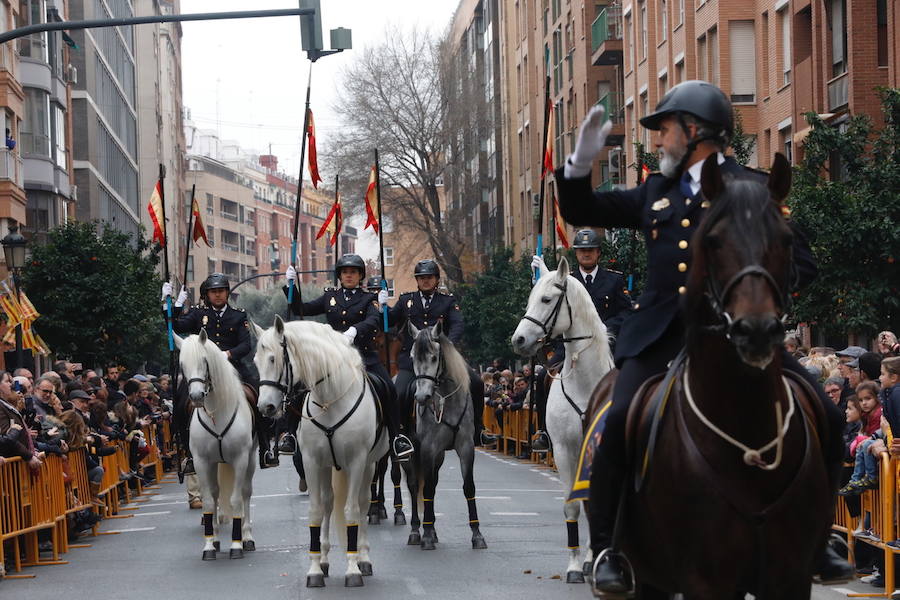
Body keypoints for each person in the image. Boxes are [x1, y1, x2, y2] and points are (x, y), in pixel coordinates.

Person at [554, 79, 850, 591]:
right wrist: (577, 168)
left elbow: (799, 261)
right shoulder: (655, 192)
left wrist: (765, 299)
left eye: (665, 129)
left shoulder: (755, 188)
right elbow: (584, 212)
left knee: (823, 413)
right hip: (661, 337)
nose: (659, 141)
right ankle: (608, 549)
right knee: (619, 420)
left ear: (695, 131)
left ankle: (818, 536)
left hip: (741, 337)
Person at [285, 254, 413, 460]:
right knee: (300, 385)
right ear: (340, 275)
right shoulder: (329, 297)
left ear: (360, 275)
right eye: (345, 272)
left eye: (353, 272)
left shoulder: (368, 299)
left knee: (388, 388)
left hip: (362, 356)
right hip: (332, 357)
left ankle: (397, 437)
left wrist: (354, 331)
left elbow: (373, 321)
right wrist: (291, 287)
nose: (349, 276)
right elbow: (302, 309)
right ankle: (290, 434)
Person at [530, 227, 633, 451]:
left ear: (598, 253)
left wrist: (604, 329)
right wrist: (540, 280)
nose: (586, 254)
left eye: (591, 250)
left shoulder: (613, 280)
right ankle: (544, 433)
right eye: (581, 250)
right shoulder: (566, 281)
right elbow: (548, 309)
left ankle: (630, 428)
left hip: (605, 345)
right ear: (575, 254)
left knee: (629, 376)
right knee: (541, 378)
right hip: (569, 347)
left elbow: (626, 313)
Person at [162, 273, 278, 469]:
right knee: (181, 399)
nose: (217, 295)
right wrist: (172, 306)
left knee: (257, 396)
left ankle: (265, 447)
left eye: (221, 291)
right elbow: (175, 325)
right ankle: (188, 453)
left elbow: (246, 345)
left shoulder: (238, 315)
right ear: (207, 295)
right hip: (202, 370)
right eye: (213, 292)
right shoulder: (198, 314)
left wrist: (228, 354)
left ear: (227, 293)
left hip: (232, 368)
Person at [383, 259, 497, 448]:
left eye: (429, 277)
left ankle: (479, 428)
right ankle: (401, 435)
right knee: (400, 391)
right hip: (414, 361)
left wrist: (447, 344)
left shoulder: (447, 301)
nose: (425, 281)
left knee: (476, 383)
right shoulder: (405, 301)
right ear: (417, 280)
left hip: (444, 359)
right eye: (422, 278)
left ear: (436, 280)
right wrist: (383, 308)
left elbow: (458, 324)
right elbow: (387, 323)